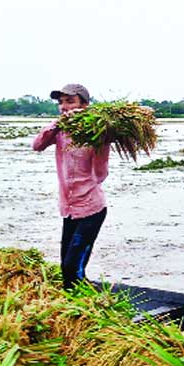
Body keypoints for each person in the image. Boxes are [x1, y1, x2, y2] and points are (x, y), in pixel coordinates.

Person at [32, 84, 110, 289]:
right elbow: (37, 145)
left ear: (84, 105)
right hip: (69, 209)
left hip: (90, 209)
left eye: (70, 101)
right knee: (65, 268)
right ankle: (77, 302)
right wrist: (57, 125)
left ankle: (87, 306)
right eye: (61, 103)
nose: (64, 107)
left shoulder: (96, 133)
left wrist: (99, 140)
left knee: (72, 268)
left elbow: (101, 174)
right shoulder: (59, 131)